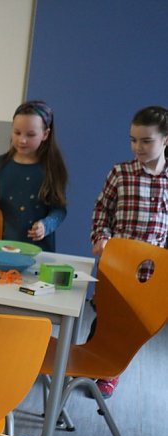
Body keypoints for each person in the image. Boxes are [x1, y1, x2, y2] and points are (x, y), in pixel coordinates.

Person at [87, 105, 168, 398]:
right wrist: (101, 236)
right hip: (117, 266)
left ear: (165, 141)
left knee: (135, 325)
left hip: (152, 272)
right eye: (133, 140)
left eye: (146, 141)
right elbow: (102, 210)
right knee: (108, 317)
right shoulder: (120, 173)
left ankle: (111, 368)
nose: (138, 147)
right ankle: (96, 365)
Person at [0, 100, 68, 252]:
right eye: (17, 132)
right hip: (1, 246)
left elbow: (59, 210)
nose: (22, 140)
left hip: (37, 251)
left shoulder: (52, 169)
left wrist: (45, 225)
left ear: (45, 134)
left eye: (31, 134)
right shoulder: (1, 163)